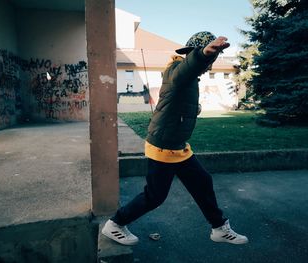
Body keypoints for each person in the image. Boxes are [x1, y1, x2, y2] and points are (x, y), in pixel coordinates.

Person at [102, 31, 248, 246]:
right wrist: (203, 55)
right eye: (210, 58)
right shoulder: (177, 70)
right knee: (155, 196)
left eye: (213, 58)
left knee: (202, 182)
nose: (210, 64)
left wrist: (191, 109)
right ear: (192, 54)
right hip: (164, 146)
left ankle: (219, 228)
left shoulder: (188, 75)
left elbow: (181, 91)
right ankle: (115, 225)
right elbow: (185, 72)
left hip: (177, 146)